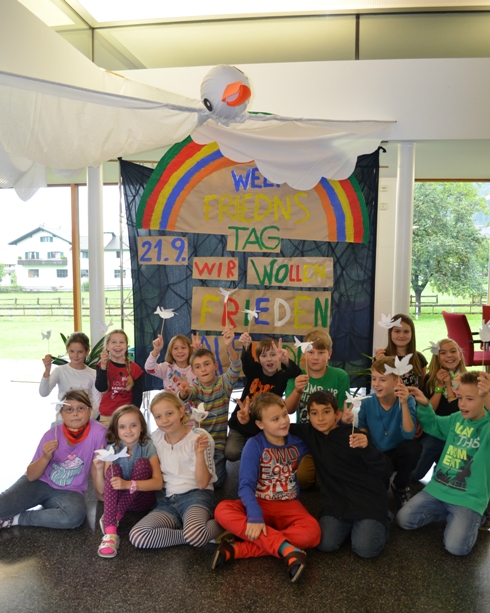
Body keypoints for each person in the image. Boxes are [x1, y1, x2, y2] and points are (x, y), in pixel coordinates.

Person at [212, 393, 321, 583]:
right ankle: (287, 549)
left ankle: (239, 549)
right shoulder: (254, 445)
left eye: (285, 415)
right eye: (275, 419)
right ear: (260, 424)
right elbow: (245, 485)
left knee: (313, 533)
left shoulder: (299, 442)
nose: (284, 421)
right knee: (222, 510)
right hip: (259, 503)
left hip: (289, 504)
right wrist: (254, 516)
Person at [289, 391, 393, 558]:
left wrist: (367, 448)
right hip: (337, 501)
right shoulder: (309, 432)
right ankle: (356, 525)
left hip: (367, 499)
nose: (320, 418)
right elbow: (276, 425)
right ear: (308, 416)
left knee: (365, 549)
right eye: (314, 413)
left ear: (336, 414)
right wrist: (246, 420)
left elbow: (386, 469)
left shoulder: (353, 435)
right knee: (325, 544)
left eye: (326, 412)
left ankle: (384, 517)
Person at [398, 372, 490, 556]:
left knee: (456, 548)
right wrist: (424, 404)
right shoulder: (457, 418)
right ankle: (451, 515)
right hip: (439, 489)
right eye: (460, 397)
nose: (462, 404)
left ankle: (476, 517)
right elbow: (433, 424)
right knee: (404, 520)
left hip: (468, 497)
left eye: (470, 399)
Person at [0, 390, 106, 530]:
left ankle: (16, 519)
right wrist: (45, 457)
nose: (75, 413)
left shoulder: (99, 432)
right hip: (39, 483)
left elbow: (95, 468)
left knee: (74, 516)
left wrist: (101, 494)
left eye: (81, 408)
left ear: (90, 410)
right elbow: (31, 476)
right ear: (61, 413)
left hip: (70, 490)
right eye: (69, 409)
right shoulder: (51, 435)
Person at [129, 392, 222, 549]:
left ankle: (223, 525)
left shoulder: (199, 437)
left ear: (181, 411)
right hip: (168, 500)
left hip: (196, 495)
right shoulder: (156, 438)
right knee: (138, 536)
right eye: (158, 417)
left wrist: (199, 453)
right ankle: (194, 534)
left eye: (169, 413)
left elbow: (202, 483)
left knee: (195, 534)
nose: (164, 420)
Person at [284, 329, 351, 489]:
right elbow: (289, 410)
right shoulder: (296, 377)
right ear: (304, 353)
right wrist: (297, 391)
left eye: (321, 353)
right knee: (303, 479)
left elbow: (342, 411)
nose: (315, 357)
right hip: (307, 437)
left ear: (329, 354)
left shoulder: (340, 376)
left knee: (337, 478)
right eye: (311, 352)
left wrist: (344, 419)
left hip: (331, 437)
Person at [95, 404, 162, 558]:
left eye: (133, 425)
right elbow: (105, 491)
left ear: (142, 427)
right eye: (122, 427)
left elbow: (158, 483)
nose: (128, 430)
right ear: (116, 430)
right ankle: (111, 534)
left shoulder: (147, 446)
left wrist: (128, 484)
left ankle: (113, 518)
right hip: (117, 501)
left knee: (142, 464)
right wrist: (99, 469)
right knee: (113, 470)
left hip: (142, 501)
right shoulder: (112, 449)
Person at [178, 327, 241, 487]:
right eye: (198, 367)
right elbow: (188, 394)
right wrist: (184, 393)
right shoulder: (196, 386)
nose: (203, 369)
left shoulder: (223, 384)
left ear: (215, 365)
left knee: (216, 483)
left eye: (207, 364)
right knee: (194, 478)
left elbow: (236, 367)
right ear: (193, 371)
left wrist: (229, 345)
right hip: (198, 442)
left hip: (218, 445)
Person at [225, 333, 301, 462]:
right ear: (259, 360)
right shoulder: (255, 370)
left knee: (264, 457)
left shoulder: (281, 376)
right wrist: (246, 347)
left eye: (273, 354)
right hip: (241, 425)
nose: (269, 359)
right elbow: (247, 362)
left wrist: (285, 360)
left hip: (263, 427)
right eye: (264, 356)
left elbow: (296, 372)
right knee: (231, 453)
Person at [358, 356, 421, 507]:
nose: (376, 384)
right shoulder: (367, 401)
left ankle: (400, 484)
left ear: (396, 381)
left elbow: (408, 434)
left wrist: (404, 404)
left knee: (413, 448)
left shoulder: (408, 400)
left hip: (397, 452)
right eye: (374, 378)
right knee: (378, 494)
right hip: (376, 454)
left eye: (383, 380)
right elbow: (363, 427)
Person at [412, 338, 466, 481]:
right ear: (437, 357)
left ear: (460, 354)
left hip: (458, 435)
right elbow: (429, 410)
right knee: (414, 474)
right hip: (435, 433)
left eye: (453, 351)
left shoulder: (467, 380)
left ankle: (441, 465)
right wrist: (440, 386)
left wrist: (449, 385)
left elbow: (458, 411)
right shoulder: (430, 379)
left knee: (448, 477)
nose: (449, 355)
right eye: (443, 353)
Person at [39, 331, 100, 418]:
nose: (75, 355)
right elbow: (43, 393)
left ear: (87, 351)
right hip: (63, 419)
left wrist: (85, 420)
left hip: (85, 420)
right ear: (67, 350)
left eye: (80, 352)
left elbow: (97, 403)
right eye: (72, 351)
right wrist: (47, 371)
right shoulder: (60, 371)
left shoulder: (93, 374)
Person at [95, 329, 144, 426]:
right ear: (107, 346)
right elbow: (101, 388)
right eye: (114, 342)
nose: (118, 345)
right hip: (106, 416)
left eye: (121, 342)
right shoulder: (101, 365)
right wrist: (103, 366)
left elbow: (137, 398)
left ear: (126, 346)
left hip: (126, 416)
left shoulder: (135, 369)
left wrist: (131, 416)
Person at [375, 313, 427, 389]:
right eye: (397, 331)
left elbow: (422, 387)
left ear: (412, 333)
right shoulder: (382, 356)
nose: (401, 335)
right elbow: (378, 385)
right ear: (390, 332)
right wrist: (380, 364)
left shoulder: (419, 358)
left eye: (406, 332)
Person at [144, 333, 200, 398]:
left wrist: (198, 353)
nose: (180, 351)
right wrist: (156, 350)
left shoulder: (196, 368)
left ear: (189, 349)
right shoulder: (167, 367)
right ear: (171, 351)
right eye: (175, 348)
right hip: (170, 403)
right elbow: (149, 368)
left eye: (183, 347)